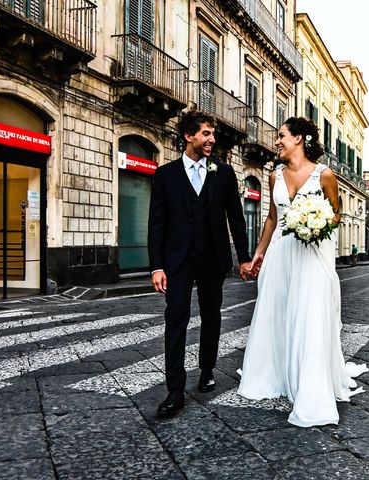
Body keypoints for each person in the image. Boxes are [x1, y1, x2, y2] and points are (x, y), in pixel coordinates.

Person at [237, 117, 367, 427]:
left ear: (300, 138)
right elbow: (271, 217)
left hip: (311, 254)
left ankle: (310, 385)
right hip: (281, 254)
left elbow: (336, 214)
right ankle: (278, 373)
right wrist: (259, 253)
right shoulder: (274, 176)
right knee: (278, 314)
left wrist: (317, 224)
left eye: (281, 136)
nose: (277, 141)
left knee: (309, 316)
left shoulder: (326, 176)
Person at [148, 111, 252, 416]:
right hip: (177, 260)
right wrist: (156, 266)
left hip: (212, 258)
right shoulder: (165, 175)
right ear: (189, 136)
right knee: (175, 319)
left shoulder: (224, 172)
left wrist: (243, 258)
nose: (212, 140)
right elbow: (157, 223)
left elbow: (236, 218)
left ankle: (207, 368)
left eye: (213, 134)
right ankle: (175, 389)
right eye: (206, 133)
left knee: (211, 315)